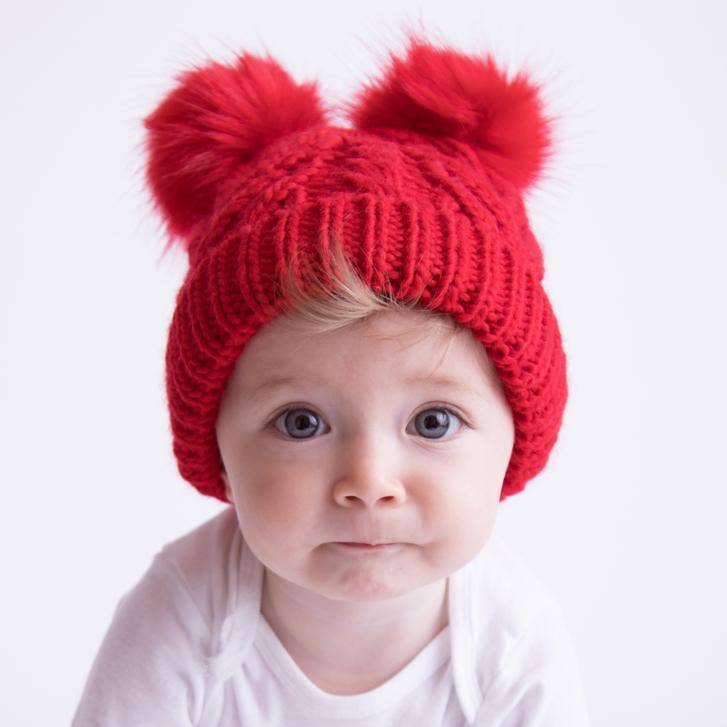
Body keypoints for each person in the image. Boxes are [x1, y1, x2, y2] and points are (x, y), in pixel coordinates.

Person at [72, 30, 591, 726]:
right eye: (300, 421)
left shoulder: (507, 640)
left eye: (431, 420)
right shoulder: (188, 612)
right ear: (216, 444)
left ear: (517, 435)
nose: (369, 480)